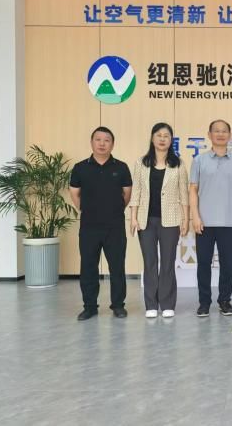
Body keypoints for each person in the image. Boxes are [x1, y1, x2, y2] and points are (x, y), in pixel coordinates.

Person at [70, 127, 132, 321]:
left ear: (112, 144)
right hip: (89, 226)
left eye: (107, 140)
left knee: (117, 267)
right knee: (88, 267)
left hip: (115, 226)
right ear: (92, 142)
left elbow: (126, 194)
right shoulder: (80, 168)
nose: (102, 143)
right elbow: (75, 193)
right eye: (98, 139)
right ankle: (89, 307)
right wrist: (87, 209)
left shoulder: (121, 167)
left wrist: (113, 209)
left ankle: (118, 305)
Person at [129, 123, 189, 318]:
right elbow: (136, 191)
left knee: (168, 262)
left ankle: (167, 303)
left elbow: (184, 194)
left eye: (166, 136)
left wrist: (185, 219)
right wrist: (133, 218)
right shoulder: (141, 163)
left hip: (170, 220)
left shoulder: (178, 164)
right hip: (145, 220)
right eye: (159, 135)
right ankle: (151, 305)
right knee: (150, 262)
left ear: (171, 140)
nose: (162, 139)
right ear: (152, 138)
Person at [190, 120, 232, 317]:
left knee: (227, 265)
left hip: (229, 221)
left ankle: (225, 300)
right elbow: (193, 189)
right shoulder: (199, 160)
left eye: (224, 131)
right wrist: (195, 216)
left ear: (230, 135)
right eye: (216, 131)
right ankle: (204, 302)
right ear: (209, 135)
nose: (220, 134)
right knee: (203, 265)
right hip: (204, 223)